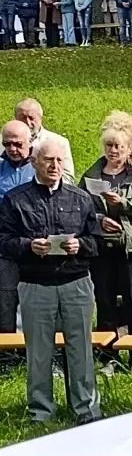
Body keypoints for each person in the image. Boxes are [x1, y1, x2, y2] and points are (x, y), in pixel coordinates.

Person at [0, 136, 100, 423]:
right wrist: (27, 246)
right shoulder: (15, 200)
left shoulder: (81, 199)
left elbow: (96, 241)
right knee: (39, 353)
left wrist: (80, 246)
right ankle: (41, 412)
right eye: (48, 160)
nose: (55, 166)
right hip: (35, 285)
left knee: (80, 349)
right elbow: (4, 241)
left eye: (59, 160)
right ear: (34, 163)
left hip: (76, 283)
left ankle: (86, 410)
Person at [83, 111, 132, 339]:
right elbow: (80, 211)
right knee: (104, 299)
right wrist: (99, 219)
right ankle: (107, 354)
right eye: (109, 145)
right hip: (102, 246)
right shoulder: (91, 175)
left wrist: (123, 203)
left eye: (118, 147)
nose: (113, 151)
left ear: (129, 149)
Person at [0, 122, 34, 331]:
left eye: (18, 144)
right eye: (7, 144)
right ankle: (7, 353)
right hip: (5, 245)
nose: (12, 149)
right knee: (5, 296)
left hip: (34, 243)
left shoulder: (40, 166)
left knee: (36, 299)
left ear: (29, 142)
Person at [12, 99, 71, 180]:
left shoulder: (59, 142)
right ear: (15, 118)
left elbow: (67, 177)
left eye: (31, 118)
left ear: (40, 118)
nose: (27, 123)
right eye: (22, 118)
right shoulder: (3, 142)